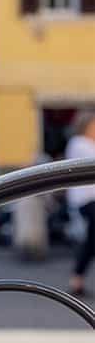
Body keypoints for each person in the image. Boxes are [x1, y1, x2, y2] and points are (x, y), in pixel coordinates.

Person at [67, 113, 95, 296]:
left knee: (92, 241)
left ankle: (77, 279)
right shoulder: (79, 143)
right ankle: (76, 278)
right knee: (92, 241)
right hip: (86, 200)